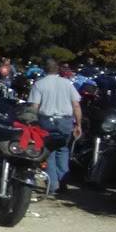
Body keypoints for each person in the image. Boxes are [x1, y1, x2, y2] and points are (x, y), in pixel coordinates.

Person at [28, 59, 82, 196]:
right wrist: (78, 124)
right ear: (57, 69)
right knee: (63, 150)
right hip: (65, 121)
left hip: (46, 121)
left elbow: (34, 106)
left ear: (44, 69)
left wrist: (31, 123)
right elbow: (76, 105)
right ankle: (63, 182)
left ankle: (53, 185)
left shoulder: (39, 84)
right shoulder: (67, 83)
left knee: (49, 153)